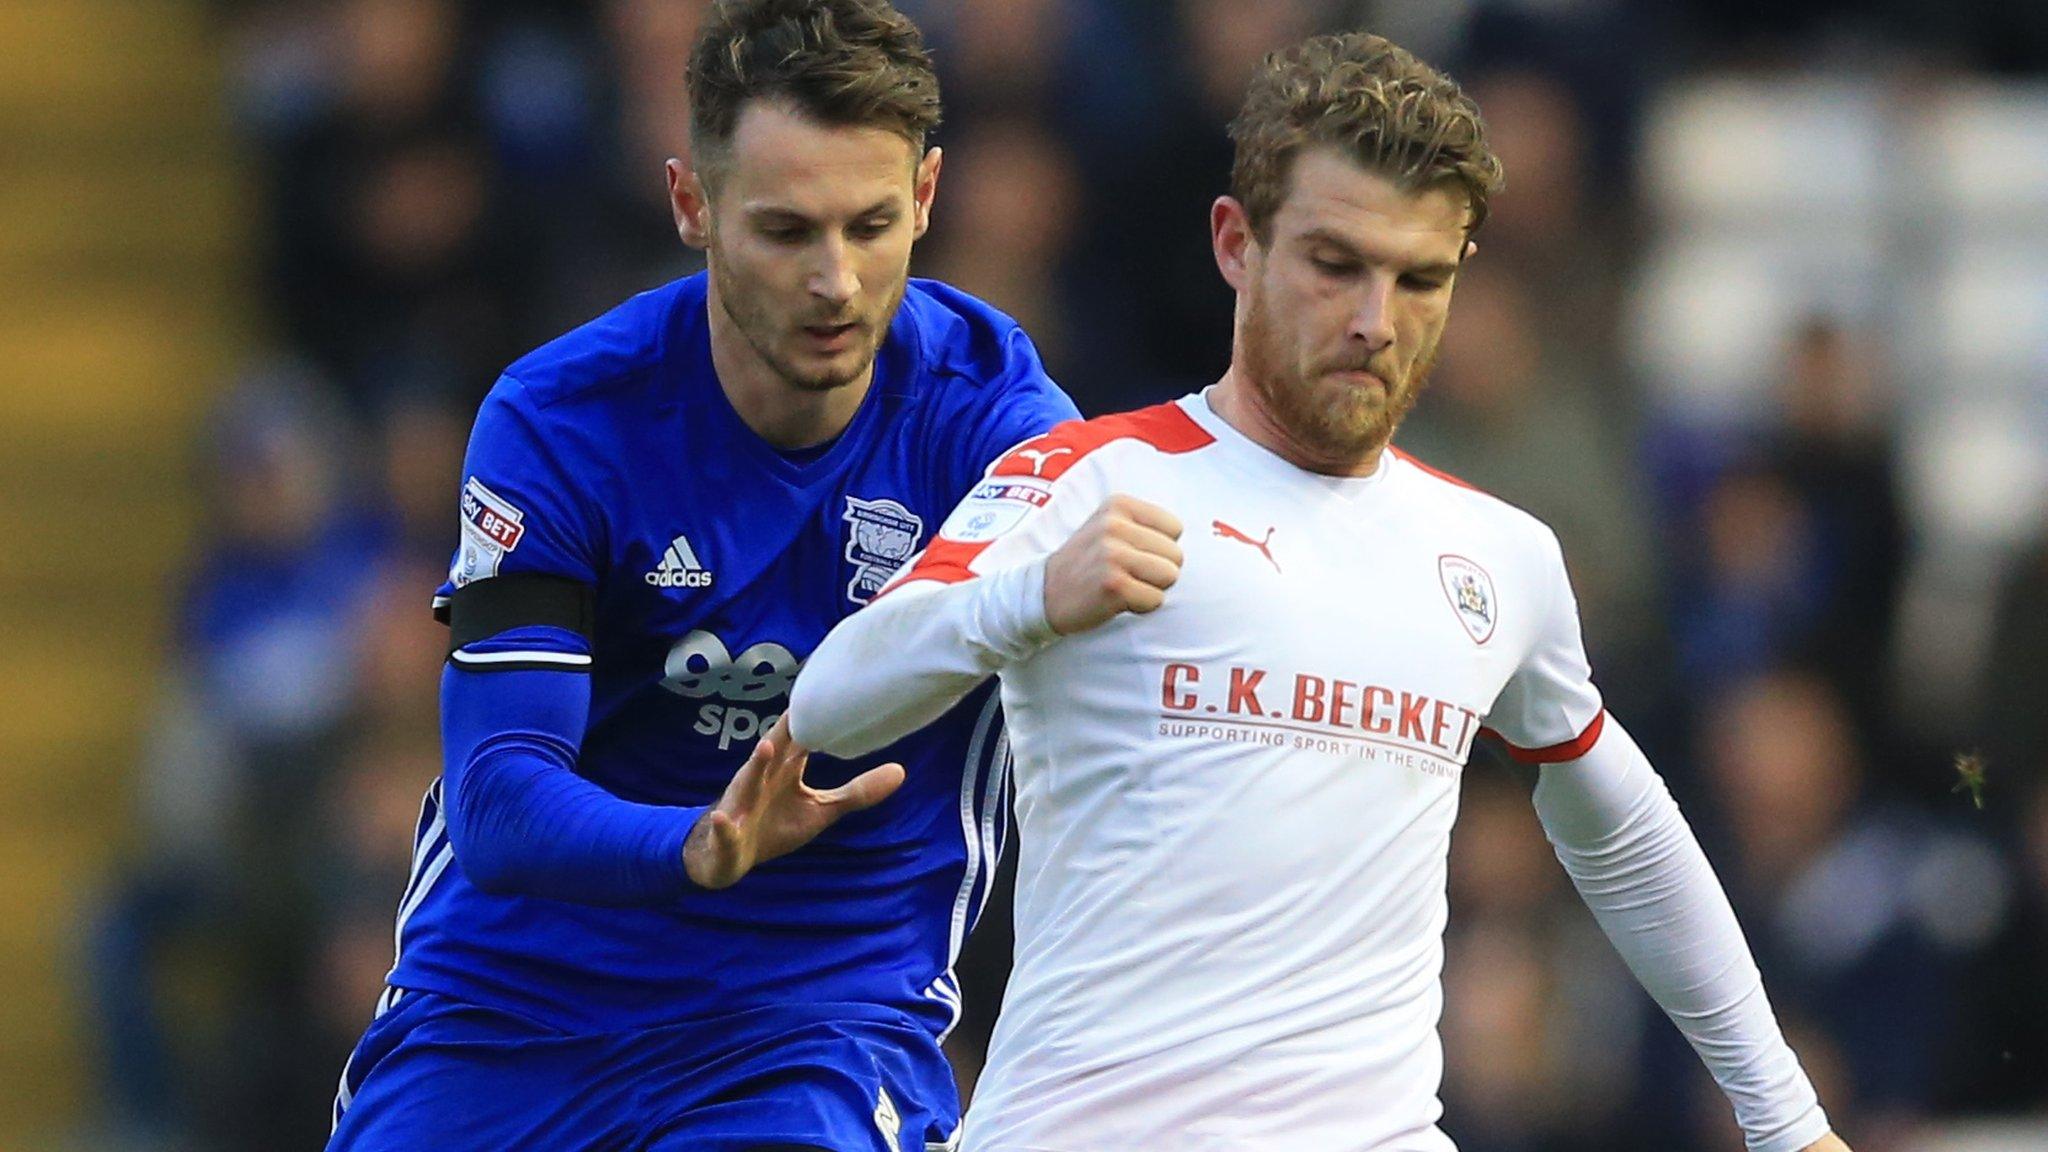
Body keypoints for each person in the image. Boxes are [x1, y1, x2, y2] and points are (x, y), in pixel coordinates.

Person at [712, 31, 1855, 1152]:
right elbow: (831, 702)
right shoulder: (1086, 477)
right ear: (1234, 242)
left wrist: (1786, 1122)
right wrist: (1026, 603)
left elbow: (1624, 836)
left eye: (1418, 278)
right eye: (1333, 262)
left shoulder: (1495, 553)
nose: (1374, 320)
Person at [324, 2, 1078, 1150]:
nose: (836, 280)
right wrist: (699, 845)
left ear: (927, 198)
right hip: (514, 1006)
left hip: (813, 1021)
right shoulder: (563, 421)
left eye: (871, 226)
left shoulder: (998, 433)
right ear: (693, 205)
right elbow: (495, 796)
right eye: (785, 232)